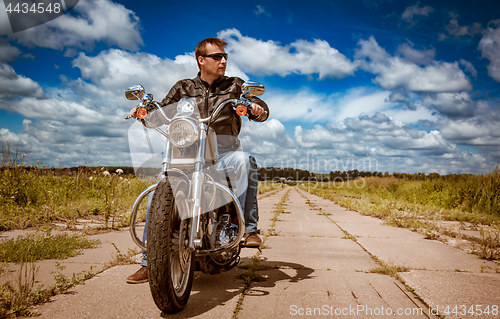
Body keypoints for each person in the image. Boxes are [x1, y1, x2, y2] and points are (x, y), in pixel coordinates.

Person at [126, 38, 269, 284]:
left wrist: (256, 107)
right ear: (201, 60)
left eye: (224, 56)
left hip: (224, 155)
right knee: (155, 195)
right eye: (217, 56)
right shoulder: (183, 87)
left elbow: (260, 107)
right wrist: (145, 113)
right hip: (187, 156)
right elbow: (161, 113)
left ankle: (250, 230)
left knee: (245, 161)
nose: (223, 60)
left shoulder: (235, 85)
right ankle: (150, 263)